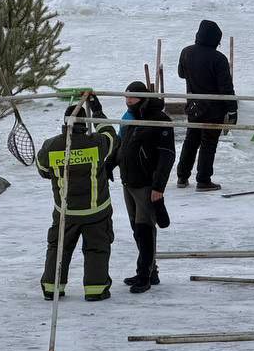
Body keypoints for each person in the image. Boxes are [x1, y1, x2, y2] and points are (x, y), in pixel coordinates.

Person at [37, 99, 118, 301]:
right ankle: (96, 290)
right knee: (96, 249)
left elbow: (43, 170)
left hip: (66, 212)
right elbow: (111, 136)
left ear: (65, 123)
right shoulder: (97, 142)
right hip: (96, 211)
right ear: (85, 123)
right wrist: (97, 112)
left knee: (59, 248)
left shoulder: (51, 146)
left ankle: (52, 287)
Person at [117, 82, 175, 294]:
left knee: (145, 230)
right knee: (137, 229)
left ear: (142, 98)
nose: (128, 101)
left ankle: (145, 275)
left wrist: (158, 186)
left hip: (146, 184)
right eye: (126, 98)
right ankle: (150, 271)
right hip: (128, 181)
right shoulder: (132, 118)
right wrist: (110, 163)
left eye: (131, 98)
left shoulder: (159, 120)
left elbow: (167, 156)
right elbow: (122, 145)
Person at [176, 19, 236, 191]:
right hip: (214, 109)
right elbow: (226, 88)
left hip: (194, 106)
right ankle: (203, 180)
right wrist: (232, 110)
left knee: (191, 140)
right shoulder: (219, 59)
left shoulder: (186, 52)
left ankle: (182, 176)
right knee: (208, 144)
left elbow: (181, 74)